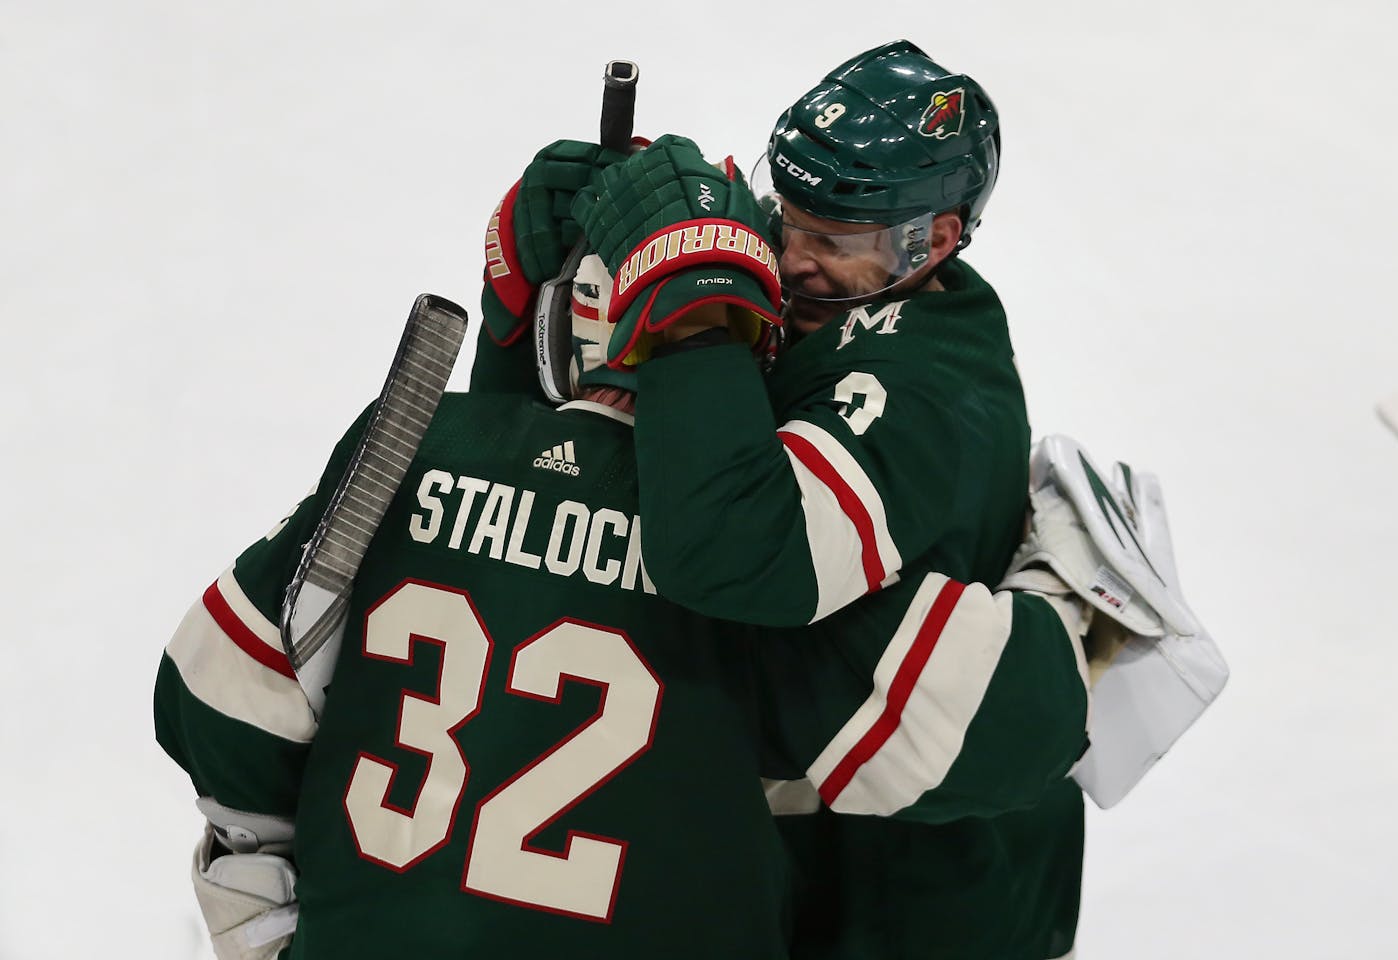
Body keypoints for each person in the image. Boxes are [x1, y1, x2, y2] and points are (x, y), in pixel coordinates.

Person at [154, 258, 1096, 959]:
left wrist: (270, 913)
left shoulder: (410, 447)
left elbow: (214, 688)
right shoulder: (748, 571)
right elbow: (1004, 732)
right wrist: (1062, 583)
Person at [557, 39, 1089, 958]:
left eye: (836, 244)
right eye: (787, 218)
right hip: (830, 821)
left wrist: (691, 318)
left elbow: (734, 555)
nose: (794, 259)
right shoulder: (830, 293)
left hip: (931, 873)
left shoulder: (931, 378)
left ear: (937, 240)